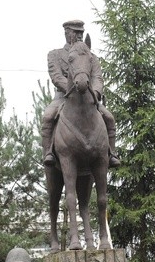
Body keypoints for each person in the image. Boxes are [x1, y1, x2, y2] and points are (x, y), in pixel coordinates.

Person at [41, 19, 120, 168]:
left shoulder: (91, 56)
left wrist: (95, 93)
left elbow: (97, 77)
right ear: (67, 33)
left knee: (109, 117)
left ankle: (111, 154)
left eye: (81, 33)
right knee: (48, 117)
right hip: (64, 97)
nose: (79, 35)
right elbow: (56, 77)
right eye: (76, 32)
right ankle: (48, 152)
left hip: (89, 96)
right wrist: (74, 90)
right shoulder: (54, 55)